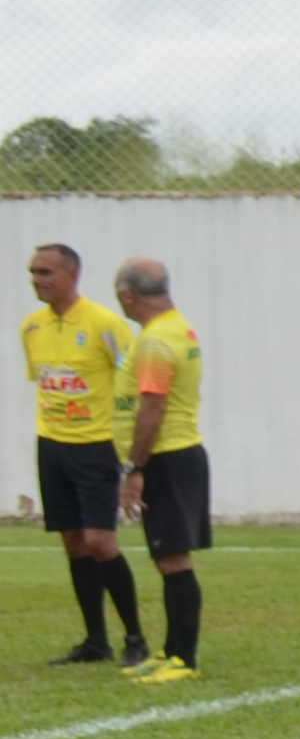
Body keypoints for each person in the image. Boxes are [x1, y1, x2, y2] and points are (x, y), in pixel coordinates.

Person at [20, 244, 145, 666]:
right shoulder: (32, 327)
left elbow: (132, 383)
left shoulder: (105, 324)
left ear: (72, 274)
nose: (37, 279)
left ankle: (135, 637)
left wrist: (131, 451)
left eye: (45, 272)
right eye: (33, 272)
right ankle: (96, 641)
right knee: (74, 543)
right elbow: (47, 383)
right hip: (52, 446)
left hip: (96, 447)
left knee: (99, 541)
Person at [110, 258, 206, 684]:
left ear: (129, 295)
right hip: (177, 455)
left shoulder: (154, 342)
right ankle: (170, 650)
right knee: (168, 556)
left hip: (166, 457)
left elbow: (153, 407)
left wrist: (135, 468)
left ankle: (184, 659)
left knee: (173, 558)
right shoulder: (175, 328)